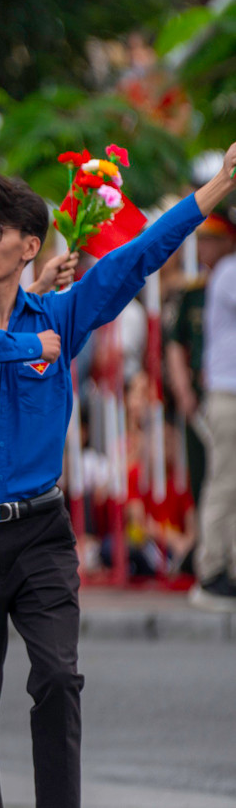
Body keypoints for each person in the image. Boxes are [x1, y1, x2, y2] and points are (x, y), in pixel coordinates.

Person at [0, 145, 236, 808]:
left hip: (40, 534)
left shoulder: (60, 316)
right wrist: (18, 345)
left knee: (57, 676)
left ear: (30, 246)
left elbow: (138, 256)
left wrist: (221, 184)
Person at [191, 214, 236, 610]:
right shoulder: (229, 271)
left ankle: (228, 567)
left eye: (211, 239)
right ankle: (211, 571)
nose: (203, 246)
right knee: (224, 482)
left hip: (227, 391)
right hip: (228, 393)